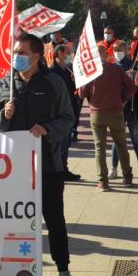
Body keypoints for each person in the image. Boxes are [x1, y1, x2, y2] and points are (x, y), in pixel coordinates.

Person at [0, 33, 75, 276]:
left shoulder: (54, 83)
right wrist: (2, 116)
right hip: (13, 171)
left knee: (54, 221)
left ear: (36, 55)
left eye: (22, 53)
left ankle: (63, 269)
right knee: (13, 223)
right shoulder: (4, 84)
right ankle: (12, 271)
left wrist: (47, 129)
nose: (17, 57)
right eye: (15, 52)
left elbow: (68, 118)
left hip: (48, 168)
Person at [78, 44, 135, 191]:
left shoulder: (90, 71)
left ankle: (103, 181)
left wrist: (80, 83)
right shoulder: (116, 69)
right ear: (105, 54)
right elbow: (131, 86)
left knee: (100, 148)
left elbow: (81, 94)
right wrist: (122, 99)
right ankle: (127, 177)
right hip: (115, 111)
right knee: (121, 145)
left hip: (97, 113)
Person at [110, 39, 138, 181]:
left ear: (126, 51)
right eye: (115, 50)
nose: (117, 53)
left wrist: (136, 76)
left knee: (136, 139)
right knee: (116, 140)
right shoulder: (112, 67)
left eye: (120, 50)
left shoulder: (135, 65)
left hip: (133, 109)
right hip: (118, 109)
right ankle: (113, 168)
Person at [49, 44, 81, 181]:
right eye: (67, 52)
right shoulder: (52, 71)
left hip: (69, 110)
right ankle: (58, 171)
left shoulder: (67, 69)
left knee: (66, 143)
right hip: (59, 113)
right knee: (60, 144)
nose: (70, 55)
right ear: (60, 53)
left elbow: (71, 89)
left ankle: (64, 169)